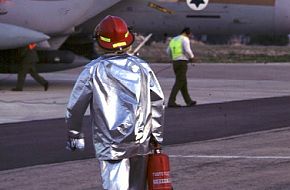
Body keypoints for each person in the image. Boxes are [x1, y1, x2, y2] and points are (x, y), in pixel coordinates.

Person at [65, 15, 165, 190]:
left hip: (110, 145)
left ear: (100, 42)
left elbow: (75, 107)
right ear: (128, 39)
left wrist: (75, 134)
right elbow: (157, 102)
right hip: (141, 143)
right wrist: (156, 136)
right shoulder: (142, 67)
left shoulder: (92, 70)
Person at [167, 27, 196, 107]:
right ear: (187, 33)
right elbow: (187, 50)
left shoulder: (174, 39)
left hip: (175, 62)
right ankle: (171, 101)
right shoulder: (185, 39)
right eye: (190, 35)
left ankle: (188, 101)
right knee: (179, 82)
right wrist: (192, 57)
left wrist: (173, 58)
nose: (190, 36)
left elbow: (168, 51)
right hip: (182, 62)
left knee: (183, 82)